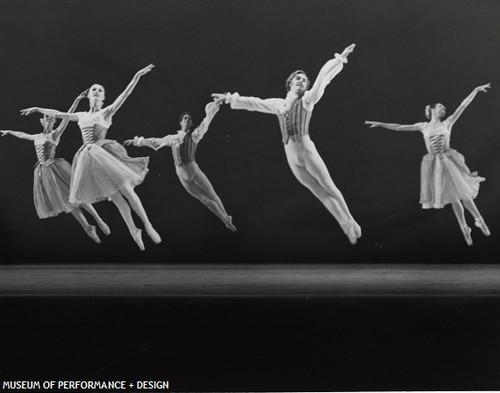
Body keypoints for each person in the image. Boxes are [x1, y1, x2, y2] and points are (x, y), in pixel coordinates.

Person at [212, 44, 361, 244]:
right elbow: (254, 103)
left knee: (328, 186)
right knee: (318, 192)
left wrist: (337, 61)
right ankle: (345, 224)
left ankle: (352, 220)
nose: (302, 80)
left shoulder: (308, 99)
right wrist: (229, 98)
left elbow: (322, 80)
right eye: (298, 78)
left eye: (304, 79)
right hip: (291, 155)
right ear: (290, 82)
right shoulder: (279, 104)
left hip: (307, 150)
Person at [20, 65, 161, 251]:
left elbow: (125, 95)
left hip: (105, 154)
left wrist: (136, 76)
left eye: (100, 90)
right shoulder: (81, 116)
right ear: (88, 96)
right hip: (88, 160)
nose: (96, 92)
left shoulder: (106, 112)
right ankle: (134, 230)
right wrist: (37, 108)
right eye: (93, 89)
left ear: (103, 98)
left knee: (127, 190)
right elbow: (59, 113)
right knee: (116, 198)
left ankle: (147, 224)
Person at [365, 83, 491, 246]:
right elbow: (399, 127)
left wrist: (474, 90)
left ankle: (478, 219)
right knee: (453, 197)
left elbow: (463, 106)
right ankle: (464, 227)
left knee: (463, 193)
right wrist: (380, 123)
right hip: (435, 165)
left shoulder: (448, 122)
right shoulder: (422, 126)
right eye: (440, 106)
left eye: (443, 107)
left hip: (449, 160)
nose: (443, 108)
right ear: (431, 110)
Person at [1, 90, 109, 243]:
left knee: (75, 196)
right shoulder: (37, 136)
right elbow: (22, 134)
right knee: (67, 201)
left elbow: (66, 116)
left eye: (51, 120)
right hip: (44, 172)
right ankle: (87, 226)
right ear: (42, 122)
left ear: (53, 123)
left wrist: (77, 100)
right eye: (46, 119)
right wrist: (9, 131)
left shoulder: (55, 134)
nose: (49, 121)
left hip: (56, 169)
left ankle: (98, 219)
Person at [124, 101, 237, 231]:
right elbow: (156, 141)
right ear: (181, 122)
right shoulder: (172, 138)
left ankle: (227, 218)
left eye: (189, 119)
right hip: (181, 175)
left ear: (191, 124)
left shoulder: (195, 135)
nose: (187, 120)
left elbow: (207, 121)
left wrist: (214, 106)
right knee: (205, 200)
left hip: (194, 171)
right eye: (185, 118)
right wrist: (137, 141)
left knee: (211, 194)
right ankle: (225, 221)